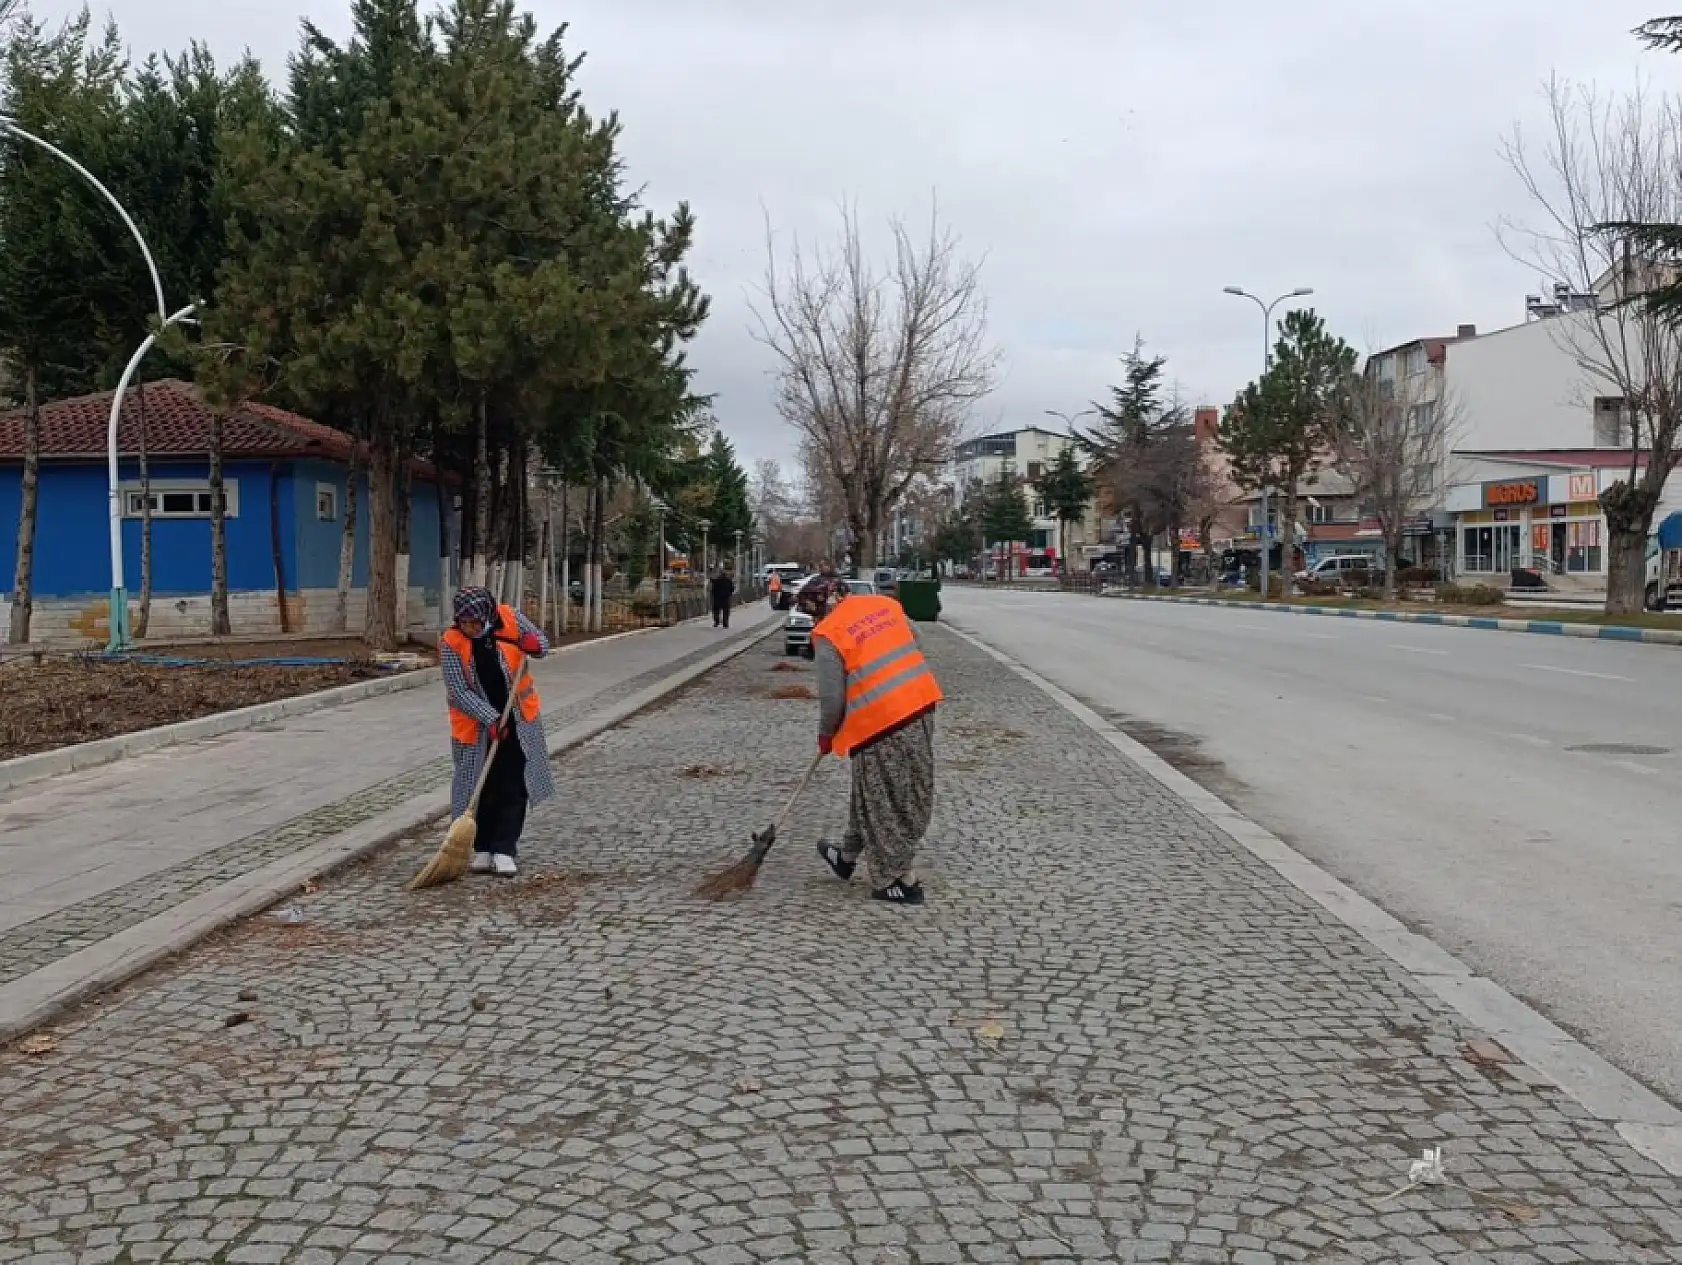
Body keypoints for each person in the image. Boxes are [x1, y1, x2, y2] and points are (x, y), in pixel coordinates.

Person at [810, 581, 944, 906]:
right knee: (874, 789)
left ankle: (895, 880)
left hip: (879, 723)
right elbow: (917, 641)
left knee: (888, 799)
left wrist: (827, 735)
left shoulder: (829, 634)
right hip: (919, 705)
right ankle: (847, 855)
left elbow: (832, 700)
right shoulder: (884, 605)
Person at [440, 587, 556, 877]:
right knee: (478, 787)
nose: (470, 629)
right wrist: (489, 718)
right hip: (476, 725)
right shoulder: (451, 642)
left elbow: (541, 643)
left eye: (475, 623)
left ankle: (504, 848)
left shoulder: (511, 618)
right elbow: (458, 691)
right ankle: (482, 847)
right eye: (464, 623)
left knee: (512, 784)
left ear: (488, 615)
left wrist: (535, 645)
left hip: (518, 718)